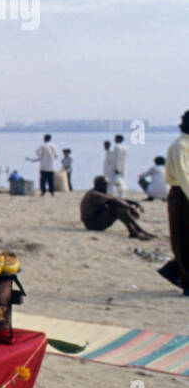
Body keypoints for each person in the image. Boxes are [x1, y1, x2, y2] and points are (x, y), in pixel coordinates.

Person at [158, 110, 189, 294]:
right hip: (181, 195)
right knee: (183, 237)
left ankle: (174, 271)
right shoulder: (179, 146)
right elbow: (183, 176)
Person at [80, 176, 154, 240]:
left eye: (106, 184)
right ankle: (134, 231)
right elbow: (114, 200)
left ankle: (137, 230)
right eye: (104, 184)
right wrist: (131, 207)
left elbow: (116, 198)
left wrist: (133, 202)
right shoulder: (95, 194)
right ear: (97, 185)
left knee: (118, 205)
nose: (106, 186)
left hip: (95, 221)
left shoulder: (99, 192)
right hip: (92, 224)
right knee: (117, 207)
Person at [110, 134, 129, 198]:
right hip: (123, 166)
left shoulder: (117, 147)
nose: (114, 139)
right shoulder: (125, 147)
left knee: (115, 181)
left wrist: (117, 168)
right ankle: (121, 193)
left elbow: (117, 158)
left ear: (118, 139)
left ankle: (113, 194)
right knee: (120, 180)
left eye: (115, 138)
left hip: (116, 167)